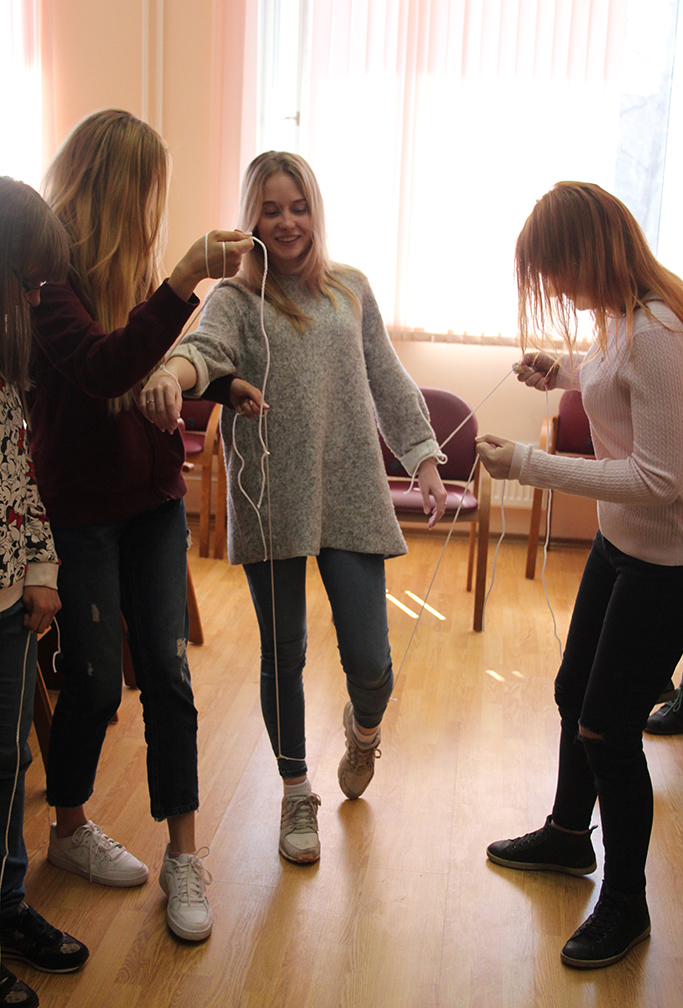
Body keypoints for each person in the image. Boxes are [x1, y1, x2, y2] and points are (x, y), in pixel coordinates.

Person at [140, 150, 447, 865]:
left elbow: (387, 378)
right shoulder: (234, 298)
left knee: (371, 662)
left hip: (350, 490)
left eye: (298, 207)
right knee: (284, 653)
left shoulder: (350, 288)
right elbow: (201, 351)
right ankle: (295, 790)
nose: (287, 223)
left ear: (315, 212)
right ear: (252, 218)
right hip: (270, 493)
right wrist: (170, 374)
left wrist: (425, 460)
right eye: (271, 210)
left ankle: (363, 732)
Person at [29, 110, 258, 942]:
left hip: (152, 502)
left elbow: (150, 369)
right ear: (116, 188)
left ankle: (183, 856)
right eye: (147, 190)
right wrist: (184, 279)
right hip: (82, 511)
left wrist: (214, 384)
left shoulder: (129, 274)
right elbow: (103, 368)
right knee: (93, 682)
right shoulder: (46, 286)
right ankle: (68, 831)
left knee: (167, 674)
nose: (152, 209)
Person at [476, 181, 683, 969]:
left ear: (588, 253)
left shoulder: (657, 331)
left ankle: (626, 904)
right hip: (616, 547)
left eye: (556, 272)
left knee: (606, 729)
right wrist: (561, 372)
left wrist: (530, 465)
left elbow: (657, 479)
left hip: (663, 566)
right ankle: (568, 835)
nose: (556, 290)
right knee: (573, 694)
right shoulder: (618, 319)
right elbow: (620, 388)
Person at [0, 177, 89, 1007]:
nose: (36, 300)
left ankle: (6, 905)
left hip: (9, 602)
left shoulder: (8, 370)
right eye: (26, 283)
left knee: (9, 761)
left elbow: (18, 476)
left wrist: (41, 569)